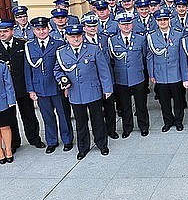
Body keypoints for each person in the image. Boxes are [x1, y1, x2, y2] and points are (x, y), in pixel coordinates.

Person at [54, 25, 113, 160]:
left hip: (93, 90)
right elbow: (57, 70)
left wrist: (107, 88)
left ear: (82, 35)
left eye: (78, 36)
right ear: (67, 37)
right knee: (81, 123)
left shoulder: (93, 49)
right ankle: (83, 147)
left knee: (97, 120)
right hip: (75, 93)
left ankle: (102, 144)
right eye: (72, 36)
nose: (76, 39)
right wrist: (62, 79)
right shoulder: (62, 52)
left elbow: (103, 70)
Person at [24, 17, 74, 153]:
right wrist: (31, 89)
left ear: (48, 29)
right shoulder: (29, 46)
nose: (41, 32)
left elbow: (64, 66)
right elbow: (27, 69)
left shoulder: (58, 43)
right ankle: (51, 141)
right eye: (38, 29)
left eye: (44, 28)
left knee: (63, 115)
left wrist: (65, 85)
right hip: (40, 88)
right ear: (34, 31)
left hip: (57, 86)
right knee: (47, 116)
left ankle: (67, 140)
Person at [0, 19, 46, 150]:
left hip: (22, 86)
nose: (2, 34)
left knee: (29, 114)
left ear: (12, 31)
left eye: (5, 31)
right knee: (10, 117)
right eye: (0, 32)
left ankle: (34, 138)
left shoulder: (22, 44)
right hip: (5, 90)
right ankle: (14, 143)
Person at [108, 13, 149, 138]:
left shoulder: (140, 38)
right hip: (121, 78)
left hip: (137, 76)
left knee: (141, 104)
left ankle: (144, 126)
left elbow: (144, 56)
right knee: (125, 105)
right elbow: (112, 59)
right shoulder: (112, 40)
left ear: (132, 24)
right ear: (119, 25)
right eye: (123, 24)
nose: (126, 26)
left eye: (128, 23)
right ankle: (127, 127)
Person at [147, 9, 185, 132]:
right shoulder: (152, 36)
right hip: (160, 74)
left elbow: (182, 55)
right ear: (156, 21)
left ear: (169, 20)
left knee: (178, 100)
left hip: (176, 73)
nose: (163, 22)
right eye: (160, 20)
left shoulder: (179, 34)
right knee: (164, 101)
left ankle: (179, 121)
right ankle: (168, 121)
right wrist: (151, 74)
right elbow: (150, 56)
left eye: (165, 19)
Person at [0, 59, 16, 163]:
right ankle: (0, 152)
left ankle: (8, 149)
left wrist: (11, 100)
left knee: (5, 126)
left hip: (2, 101)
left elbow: (8, 84)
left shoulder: (2, 65)